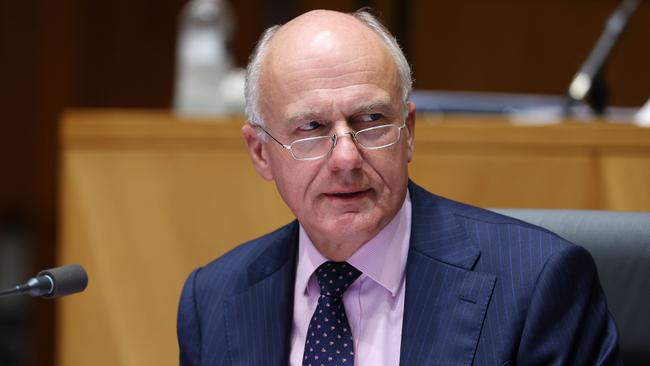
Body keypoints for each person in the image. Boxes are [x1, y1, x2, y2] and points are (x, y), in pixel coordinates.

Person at [177, 9, 621, 366]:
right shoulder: (213, 301)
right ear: (260, 152)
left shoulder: (535, 286)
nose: (347, 158)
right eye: (312, 128)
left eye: (370, 121)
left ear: (408, 131)